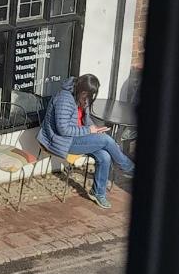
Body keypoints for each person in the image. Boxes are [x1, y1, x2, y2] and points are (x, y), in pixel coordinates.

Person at [37, 74, 135, 209]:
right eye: (89, 95)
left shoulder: (82, 97)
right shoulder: (64, 99)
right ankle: (128, 167)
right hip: (63, 141)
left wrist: (95, 129)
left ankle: (98, 193)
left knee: (105, 156)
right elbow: (63, 130)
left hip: (78, 137)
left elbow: (86, 120)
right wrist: (90, 131)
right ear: (83, 91)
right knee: (106, 140)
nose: (89, 98)